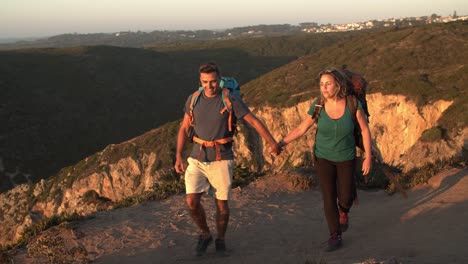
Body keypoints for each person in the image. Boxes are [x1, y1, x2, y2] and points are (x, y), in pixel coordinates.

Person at [174, 62, 281, 256]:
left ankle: (220, 239)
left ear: (219, 80)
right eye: (205, 82)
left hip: (222, 158)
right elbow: (183, 127)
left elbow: (254, 121)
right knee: (191, 201)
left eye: (213, 81)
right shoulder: (193, 99)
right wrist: (178, 156)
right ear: (200, 81)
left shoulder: (231, 100)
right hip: (196, 157)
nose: (209, 86)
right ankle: (205, 233)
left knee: (221, 204)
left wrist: (272, 142)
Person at [277, 67, 372, 252]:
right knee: (329, 197)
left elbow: (365, 130)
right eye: (321, 84)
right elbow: (302, 128)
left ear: (338, 85)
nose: (324, 88)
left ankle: (343, 211)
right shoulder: (318, 105)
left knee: (345, 196)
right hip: (323, 158)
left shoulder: (352, 104)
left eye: (328, 84)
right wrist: (281, 143)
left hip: (346, 157)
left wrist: (368, 157)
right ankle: (335, 235)